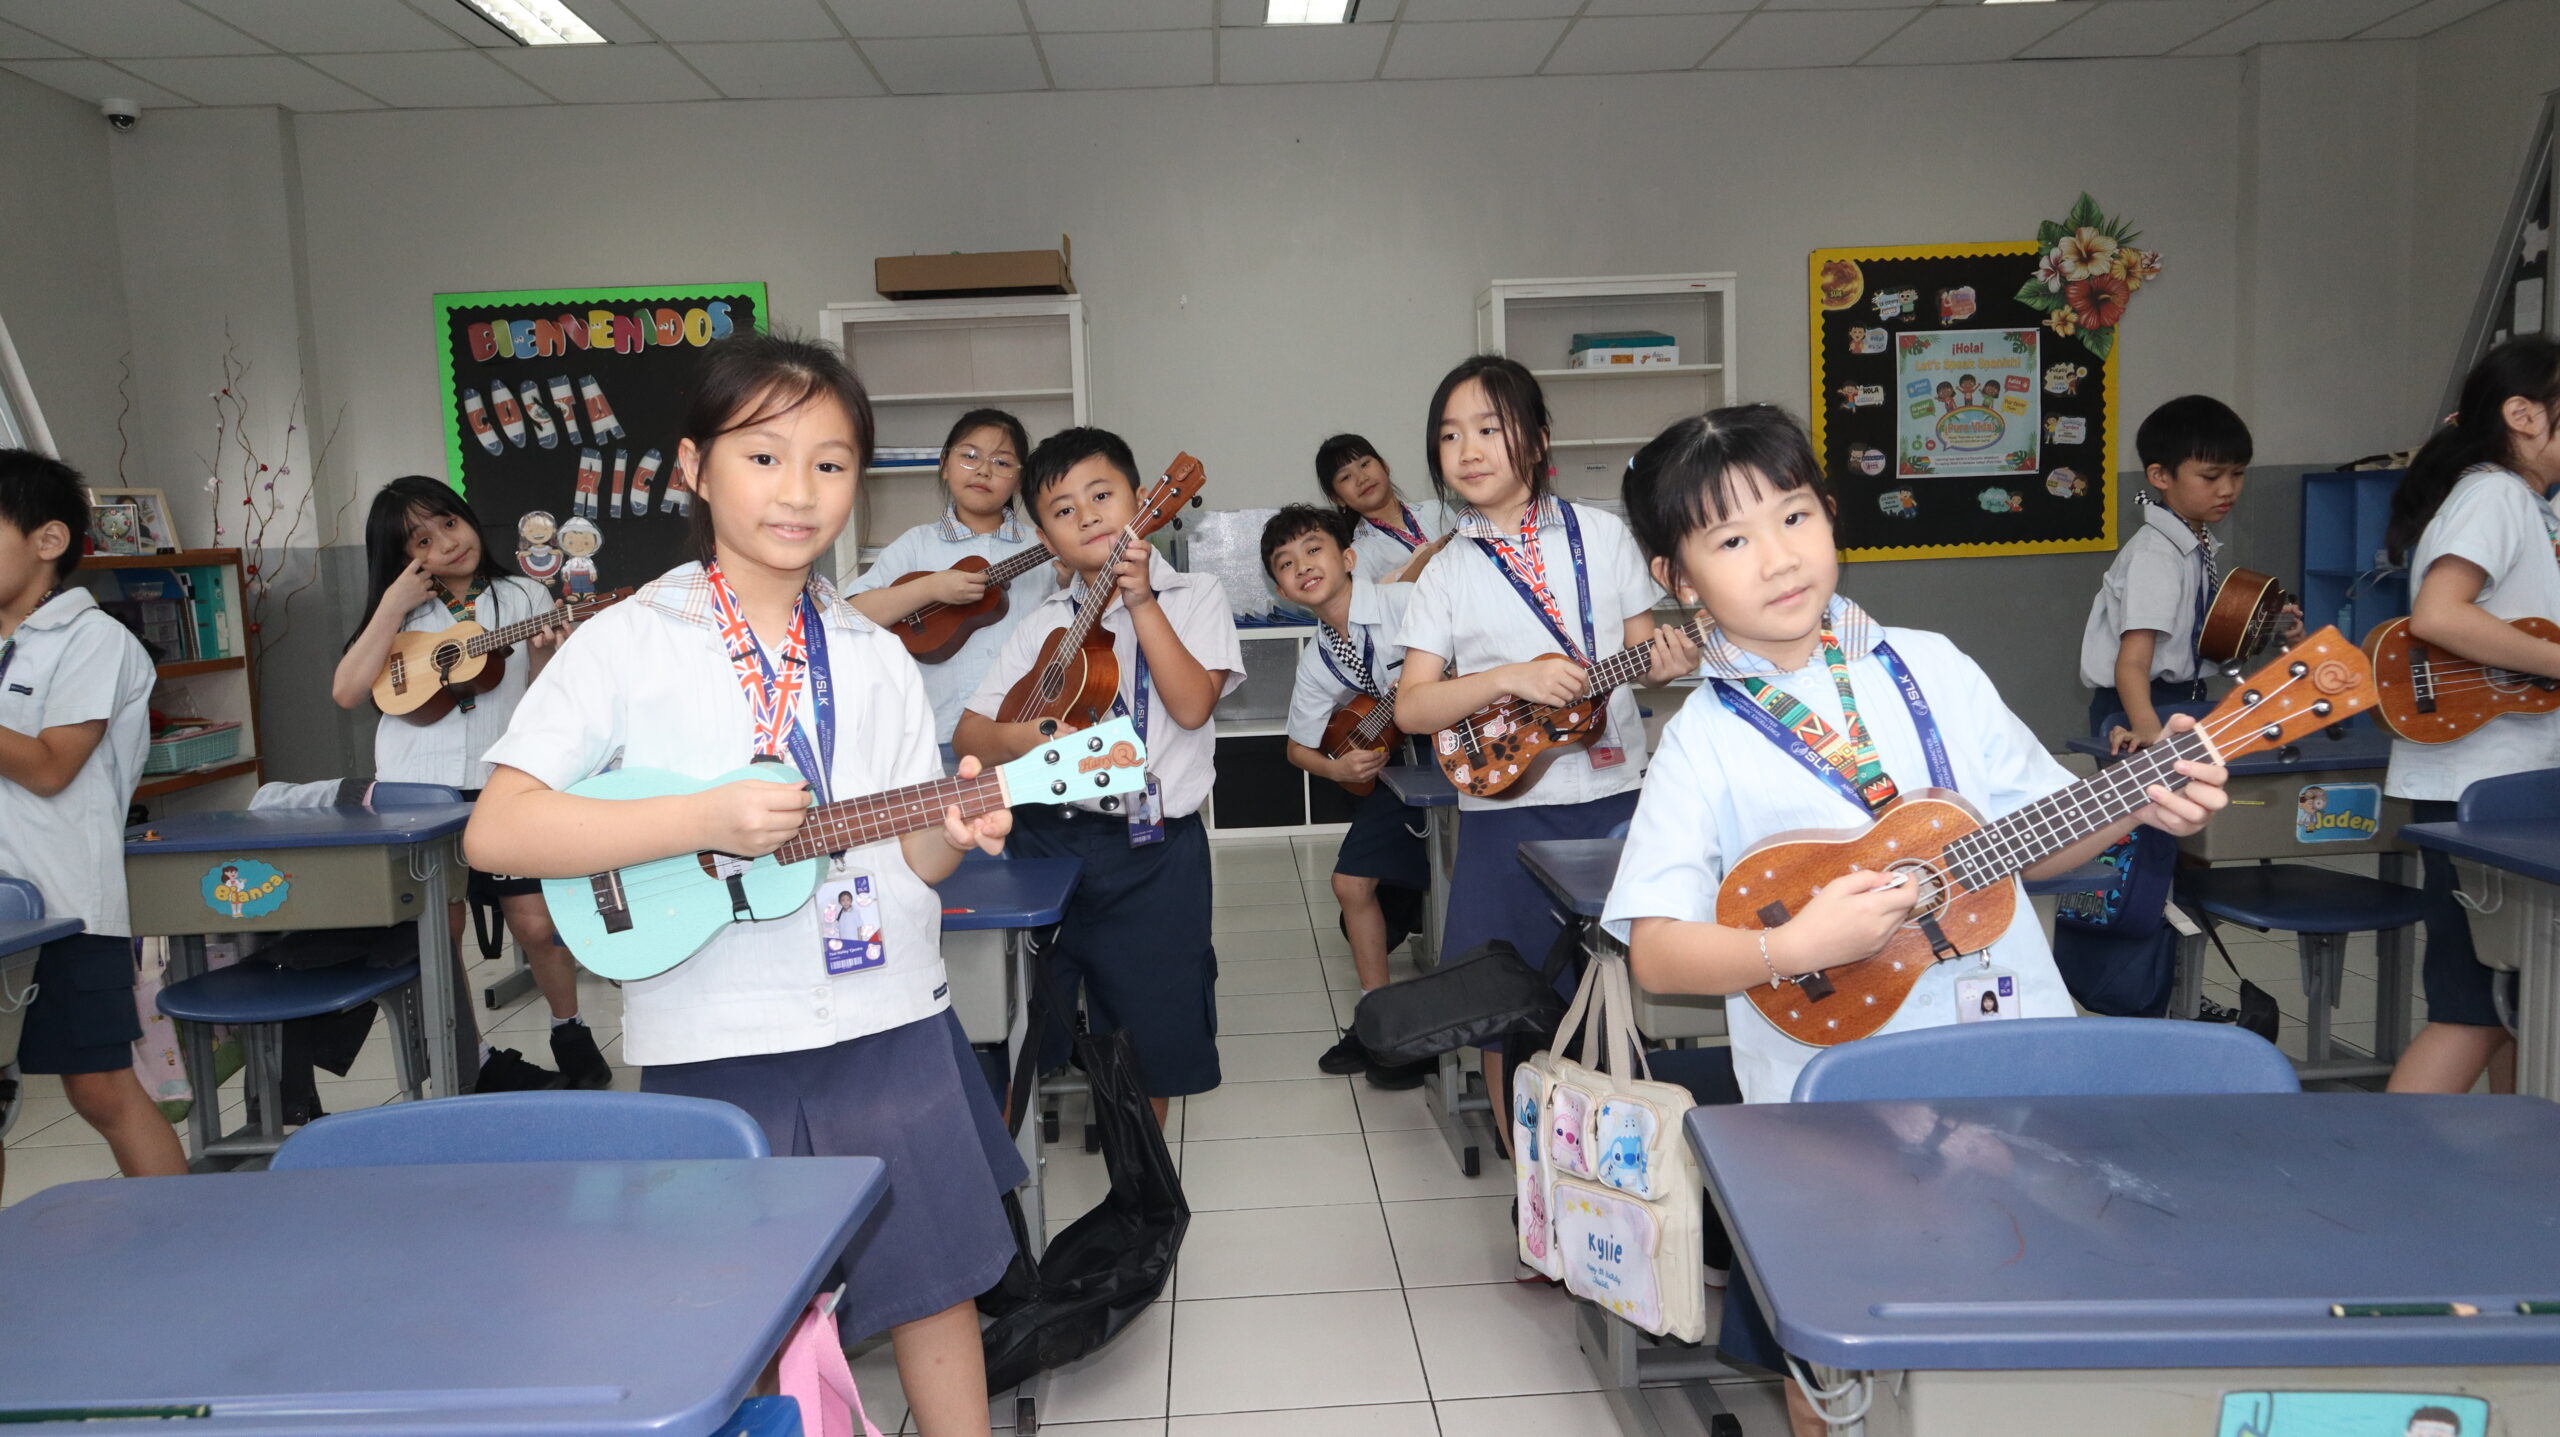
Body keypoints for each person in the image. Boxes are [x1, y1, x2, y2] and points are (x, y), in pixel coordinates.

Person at [1599, 405, 2229, 1437]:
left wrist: (2139, 802)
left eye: (1794, 517)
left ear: (1828, 514)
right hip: (1832, 1101)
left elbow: (2036, 837)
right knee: (1840, 1345)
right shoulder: (1701, 739)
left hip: (2011, 1056)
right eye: (1730, 540)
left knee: (2027, 1305)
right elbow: (1658, 953)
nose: (1778, 558)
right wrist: (1795, 946)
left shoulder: (1933, 663)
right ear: (1678, 578)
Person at [468, 332, 1019, 1435]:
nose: (798, 490)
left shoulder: (872, 652)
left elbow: (910, 858)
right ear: (694, 468)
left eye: (830, 463)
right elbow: (499, 828)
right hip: (711, 1036)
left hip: (888, 1016)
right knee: (736, 1320)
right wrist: (701, 820)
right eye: (764, 457)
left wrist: (955, 831)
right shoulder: (627, 641)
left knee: (936, 1285)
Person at [1392, 355, 1699, 1119]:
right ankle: (1524, 1172)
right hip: (1505, 812)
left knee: (1622, 994)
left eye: (1488, 429)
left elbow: (1645, 661)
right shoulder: (1445, 572)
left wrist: (1670, 661)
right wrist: (1510, 678)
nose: (1468, 450)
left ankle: (1617, 1160)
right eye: (1450, 435)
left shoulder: (1604, 536)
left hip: (1615, 800)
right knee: (1506, 1009)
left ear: (1538, 438)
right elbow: (1414, 709)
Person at [956, 427, 1242, 1125]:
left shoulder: (1194, 595)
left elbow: (1191, 706)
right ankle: (1012, 1166)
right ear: (1045, 538)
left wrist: (1142, 601)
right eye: (1063, 510)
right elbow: (970, 735)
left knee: (1151, 1031)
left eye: (1102, 495)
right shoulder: (1043, 623)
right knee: (1025, 1019)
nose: (1086, 516)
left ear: (1143, 500)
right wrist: (1030, 737)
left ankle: (1142, 1179)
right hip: (1045, 841)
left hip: (1154, 847)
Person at [330, 475, 596, 1091]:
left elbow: (541, 703)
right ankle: (471, 1059)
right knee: (441, 935)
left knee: (536, 922)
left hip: (503, 786)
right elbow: (347, 692)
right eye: (421, 540)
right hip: (419, 791)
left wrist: (544, 655)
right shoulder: (398, 614)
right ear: (401, 557)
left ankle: (570, 1028)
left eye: (450, 523)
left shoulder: (523, 594)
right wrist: (392, 605)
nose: (447, 543)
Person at [0, 449, 188, 1192]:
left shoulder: (93, 640)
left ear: (48, 540)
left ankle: (183, 1239)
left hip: (67, 906)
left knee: (101, 1089)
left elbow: (52, 766)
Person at [2382, 335, 2560, 1095]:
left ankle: (2514, 1155)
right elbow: (2439, 614)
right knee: (2475, 1008)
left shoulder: (2530, 504)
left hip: (2505, 781)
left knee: (2521, 1002)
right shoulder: (2495, 494)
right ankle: (2381, 1161)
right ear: (2524, 414)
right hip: (2479, 789)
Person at [1263, 504, 1431, 1088]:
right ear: (1282, 590)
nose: (1302, 566)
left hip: (1466, 750)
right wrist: (1337, 768)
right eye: (1286, 563)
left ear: (1349, 557)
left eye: (1313, 549)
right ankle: (1377, 1021)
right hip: (1402, 771)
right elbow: (1296, 749)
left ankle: (1458, 1016)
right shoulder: (1318, 659)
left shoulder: (1407, 603)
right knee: (1349, 883)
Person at [2079, 395, 2300, 752]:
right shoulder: (2156, 555)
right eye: (2210, 476)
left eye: (2237, 473)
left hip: (2180, 697)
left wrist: (2270, 623)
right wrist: (2147, 727)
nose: (2228, 489)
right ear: (2160, 476)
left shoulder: (2194, 542)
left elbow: (2197, 636)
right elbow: (2132, 661)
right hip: (2138, 705)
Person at [847, 409, 1058, 740]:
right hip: (936, 732)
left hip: (1024, 731)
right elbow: (851, 614)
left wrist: (1070, 576)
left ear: (1019, 480)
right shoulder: (916, 544)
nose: (984, 470)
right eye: (970, 456)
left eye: (1002, 462)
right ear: (945, 465)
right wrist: (930, 588)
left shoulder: (1045, 545)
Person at [1316, 433, 1451, 588]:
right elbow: (1374, 602)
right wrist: (1420, 564)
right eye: (1346, 477)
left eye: (1364, 464)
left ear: (1384, 465)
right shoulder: (1359, 554)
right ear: (1336, 498)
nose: (1362, 478)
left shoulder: (1437, 510)